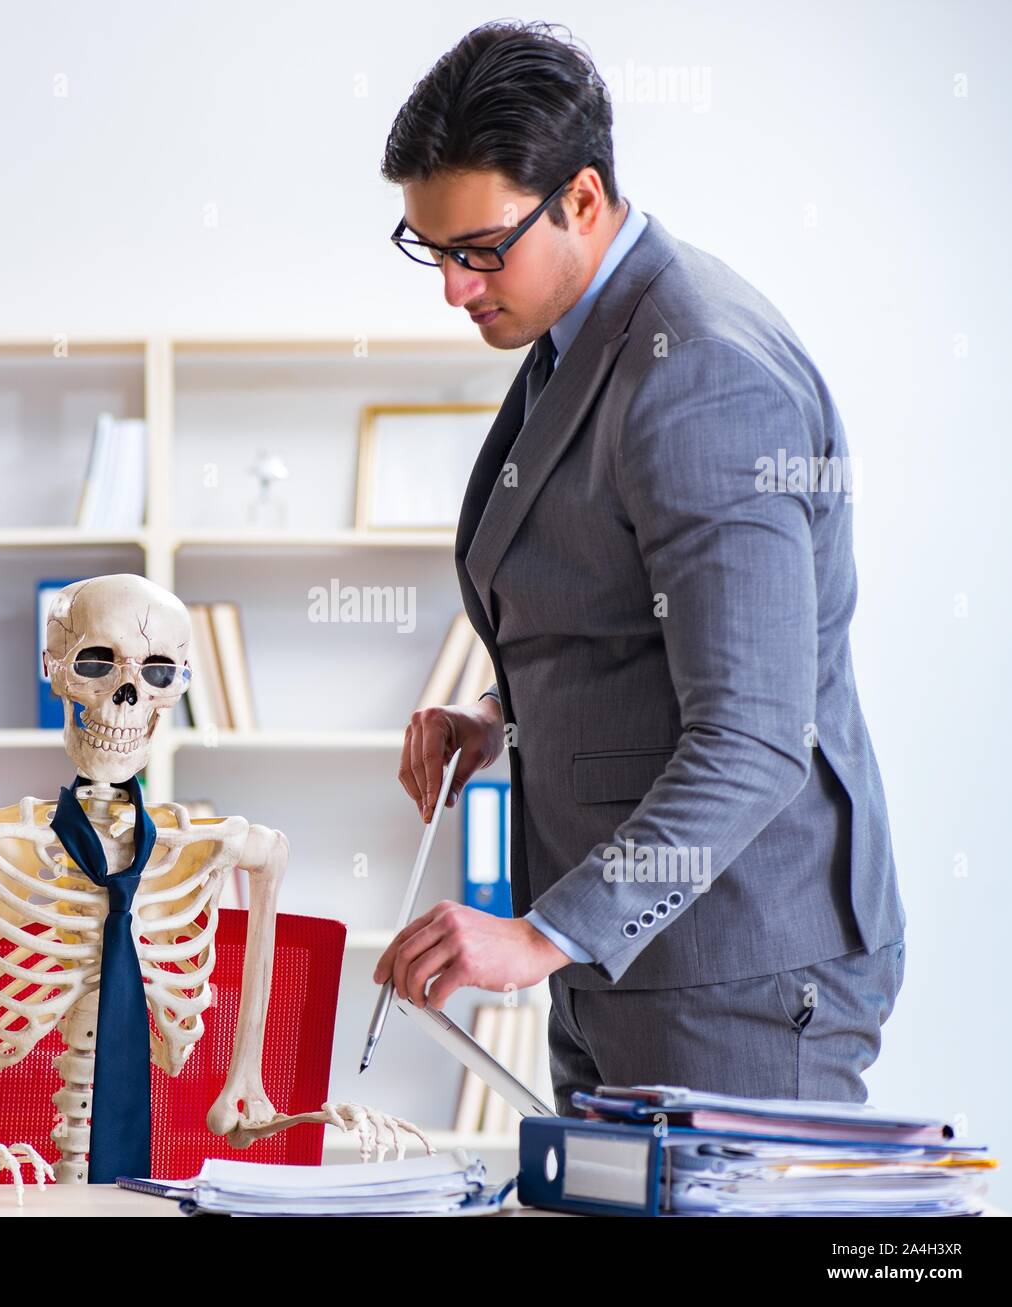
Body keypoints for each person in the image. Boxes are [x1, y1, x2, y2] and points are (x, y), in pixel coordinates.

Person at [373, 20, 906, 1106]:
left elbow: (754, 732)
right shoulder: (583, 330)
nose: (454, 288)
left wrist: (544, 932)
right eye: (429, 249)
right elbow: (627, 615)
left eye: (479, 249)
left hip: (739, 973)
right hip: (630, 961)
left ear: (579, 198)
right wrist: (495, 711)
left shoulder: (700, 369)